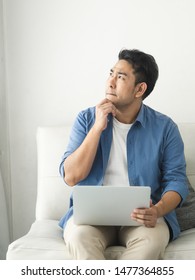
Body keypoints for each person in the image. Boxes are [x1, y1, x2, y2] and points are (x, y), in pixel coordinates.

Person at [59, 49, 188, 260]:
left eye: (120, 77)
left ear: (140, 89)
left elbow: (176, 181)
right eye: (111, 73)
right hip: (92, 219)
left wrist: (158, 210)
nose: (110, 82)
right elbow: (71, 176)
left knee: (152, 241)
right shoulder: (86, 119)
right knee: (79, 238)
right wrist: (97, 128)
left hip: (141, 218)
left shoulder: (165, 128)